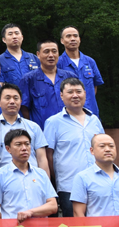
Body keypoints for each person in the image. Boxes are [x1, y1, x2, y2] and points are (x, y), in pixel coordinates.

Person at [43, 78, 104, 217]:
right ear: (61, 95)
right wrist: (56, 179)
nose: (75, 95)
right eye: (70, 92)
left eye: (78, 91)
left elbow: (103, 148)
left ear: (85, 94)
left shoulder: (94, 120)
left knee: (100, 224)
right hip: (69, 185)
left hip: (98, 183)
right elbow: (48, 155)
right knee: (74, 226)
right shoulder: (53, 122)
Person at [0, 84, 50, 173]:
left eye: (16, 98)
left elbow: (42, 159)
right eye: (7, 98)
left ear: (21, 101)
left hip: (32, 177)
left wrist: (45, 180)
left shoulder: (33, 127)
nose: (12, 101)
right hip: (6, 178)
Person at [18, 40, 77, 128]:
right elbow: (24, 107)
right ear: (38, 54)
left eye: (54, 51)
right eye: (46, 52)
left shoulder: (70, 77)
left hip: (69, 128)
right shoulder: (29, 79)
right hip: (42, 130)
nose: (51, 55)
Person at [57, 26, 104, 118]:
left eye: (75, 36)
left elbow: (95, 86)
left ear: (79, 39)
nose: (72, 39)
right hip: (68, 114)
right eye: (68, 36)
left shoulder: (90, 61)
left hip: (91, 112)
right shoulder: (58, 63)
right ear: (62, 41)